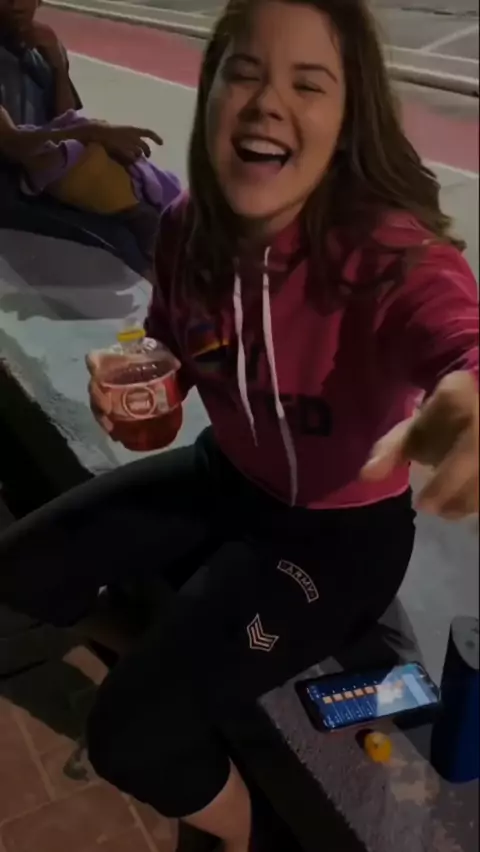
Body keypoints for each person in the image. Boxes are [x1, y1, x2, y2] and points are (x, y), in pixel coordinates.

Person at [0, 0, 478, 850]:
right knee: (23, 570)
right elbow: (173, 342)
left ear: (349, 117)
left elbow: (459, 335)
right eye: (244, 73)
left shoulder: (387, 256)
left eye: (308, 84)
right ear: (213, 91)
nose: (266, 102)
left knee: (130, 736)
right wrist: (146, 380)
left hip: (336, 543)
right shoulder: (188, 227)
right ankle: (171, 661)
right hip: (222, 476)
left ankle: (240, 835)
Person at [0, 0, 165, 274]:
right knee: (117, 242)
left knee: (149, 213)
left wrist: (58, 67)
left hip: (55, 176)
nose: (17, 5)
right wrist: (91, 132)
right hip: (13, 190)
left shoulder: (42, 47)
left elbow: (67, 117)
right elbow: (12, 144)